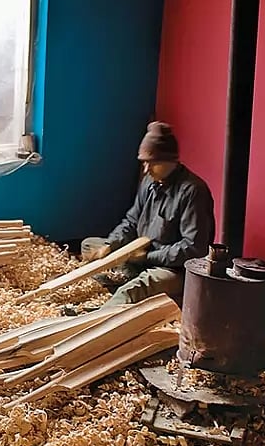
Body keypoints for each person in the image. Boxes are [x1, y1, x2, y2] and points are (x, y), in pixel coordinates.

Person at [83, 122, 215, 308]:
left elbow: (193, 249)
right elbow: (131, 220)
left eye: (152, 163)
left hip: (172, 269)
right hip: (142, 256)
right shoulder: (149, 182)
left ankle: (98, 316)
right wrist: (111, 244)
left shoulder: (192, 191)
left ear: (170, 160)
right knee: (88, 245)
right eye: (144, 162)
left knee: (132, 291)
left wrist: (148, 257)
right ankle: (125, 279)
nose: (146, 169)